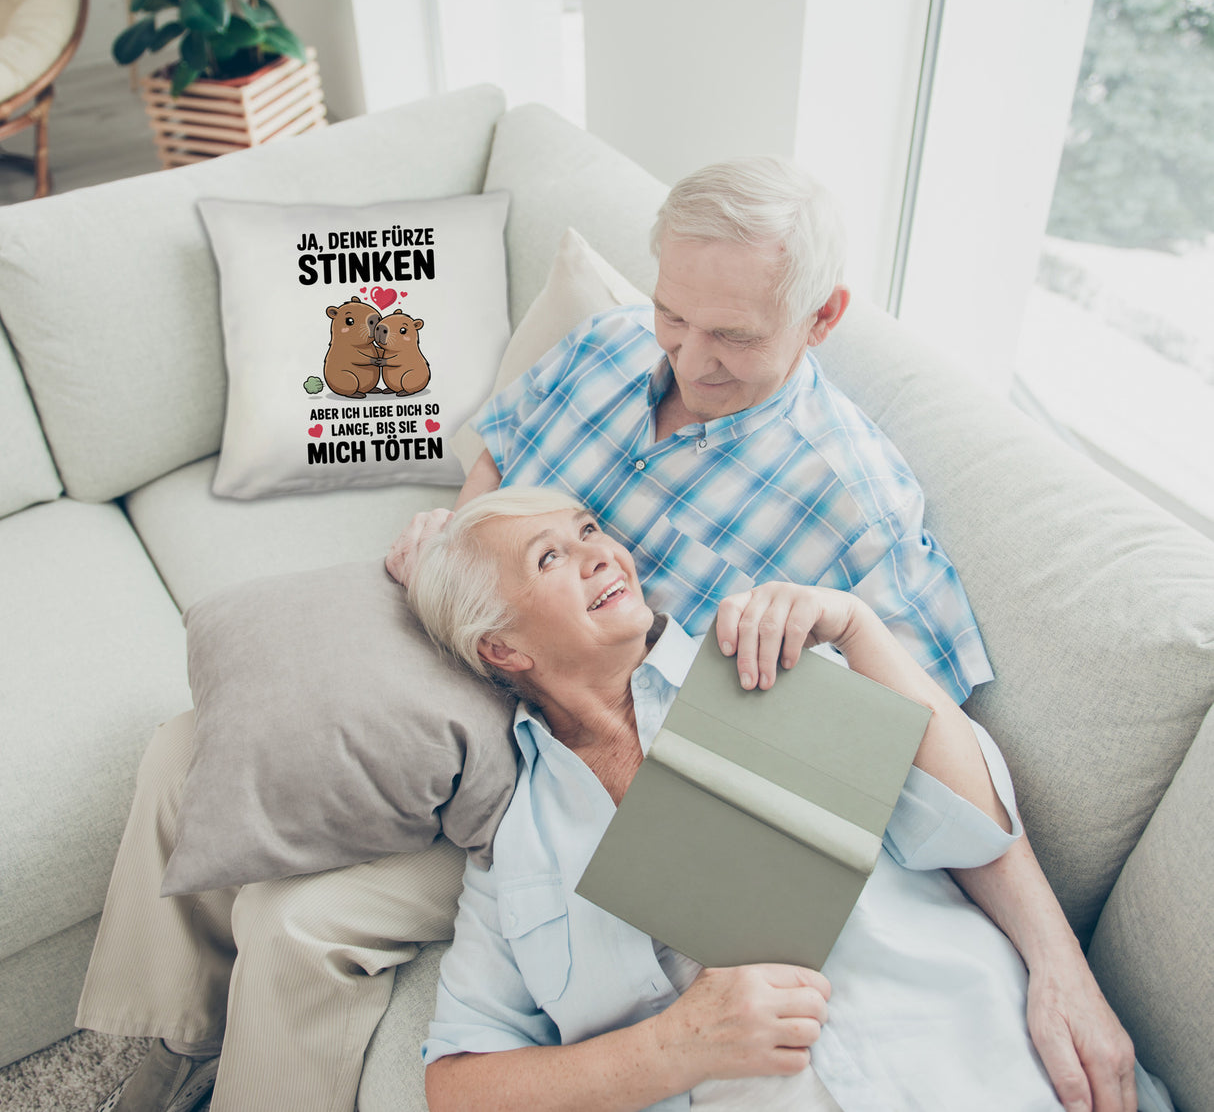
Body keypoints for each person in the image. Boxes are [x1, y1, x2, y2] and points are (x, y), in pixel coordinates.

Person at [79, 158, 1132, 1112]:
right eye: (675, 314)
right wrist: (458, 539)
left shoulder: (854, 507)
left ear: (820, 318)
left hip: (578, 750)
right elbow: (498, 457)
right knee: (192, 744)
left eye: (732, 336)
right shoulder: (608, 345)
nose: (687, 356)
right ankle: (160, 1046)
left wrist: (1058, 962)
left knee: (300, 921)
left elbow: (927, 754)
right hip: (487, 644)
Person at [407, 486, 1160, 1112]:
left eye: (589, 530)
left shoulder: (762, 659)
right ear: (502, 648)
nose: (601, 553)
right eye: (550, 557)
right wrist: (674, 1047)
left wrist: (859, 629)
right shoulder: (516, 850)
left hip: (985, 1065)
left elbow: (972, 827)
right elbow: (458, 1086)